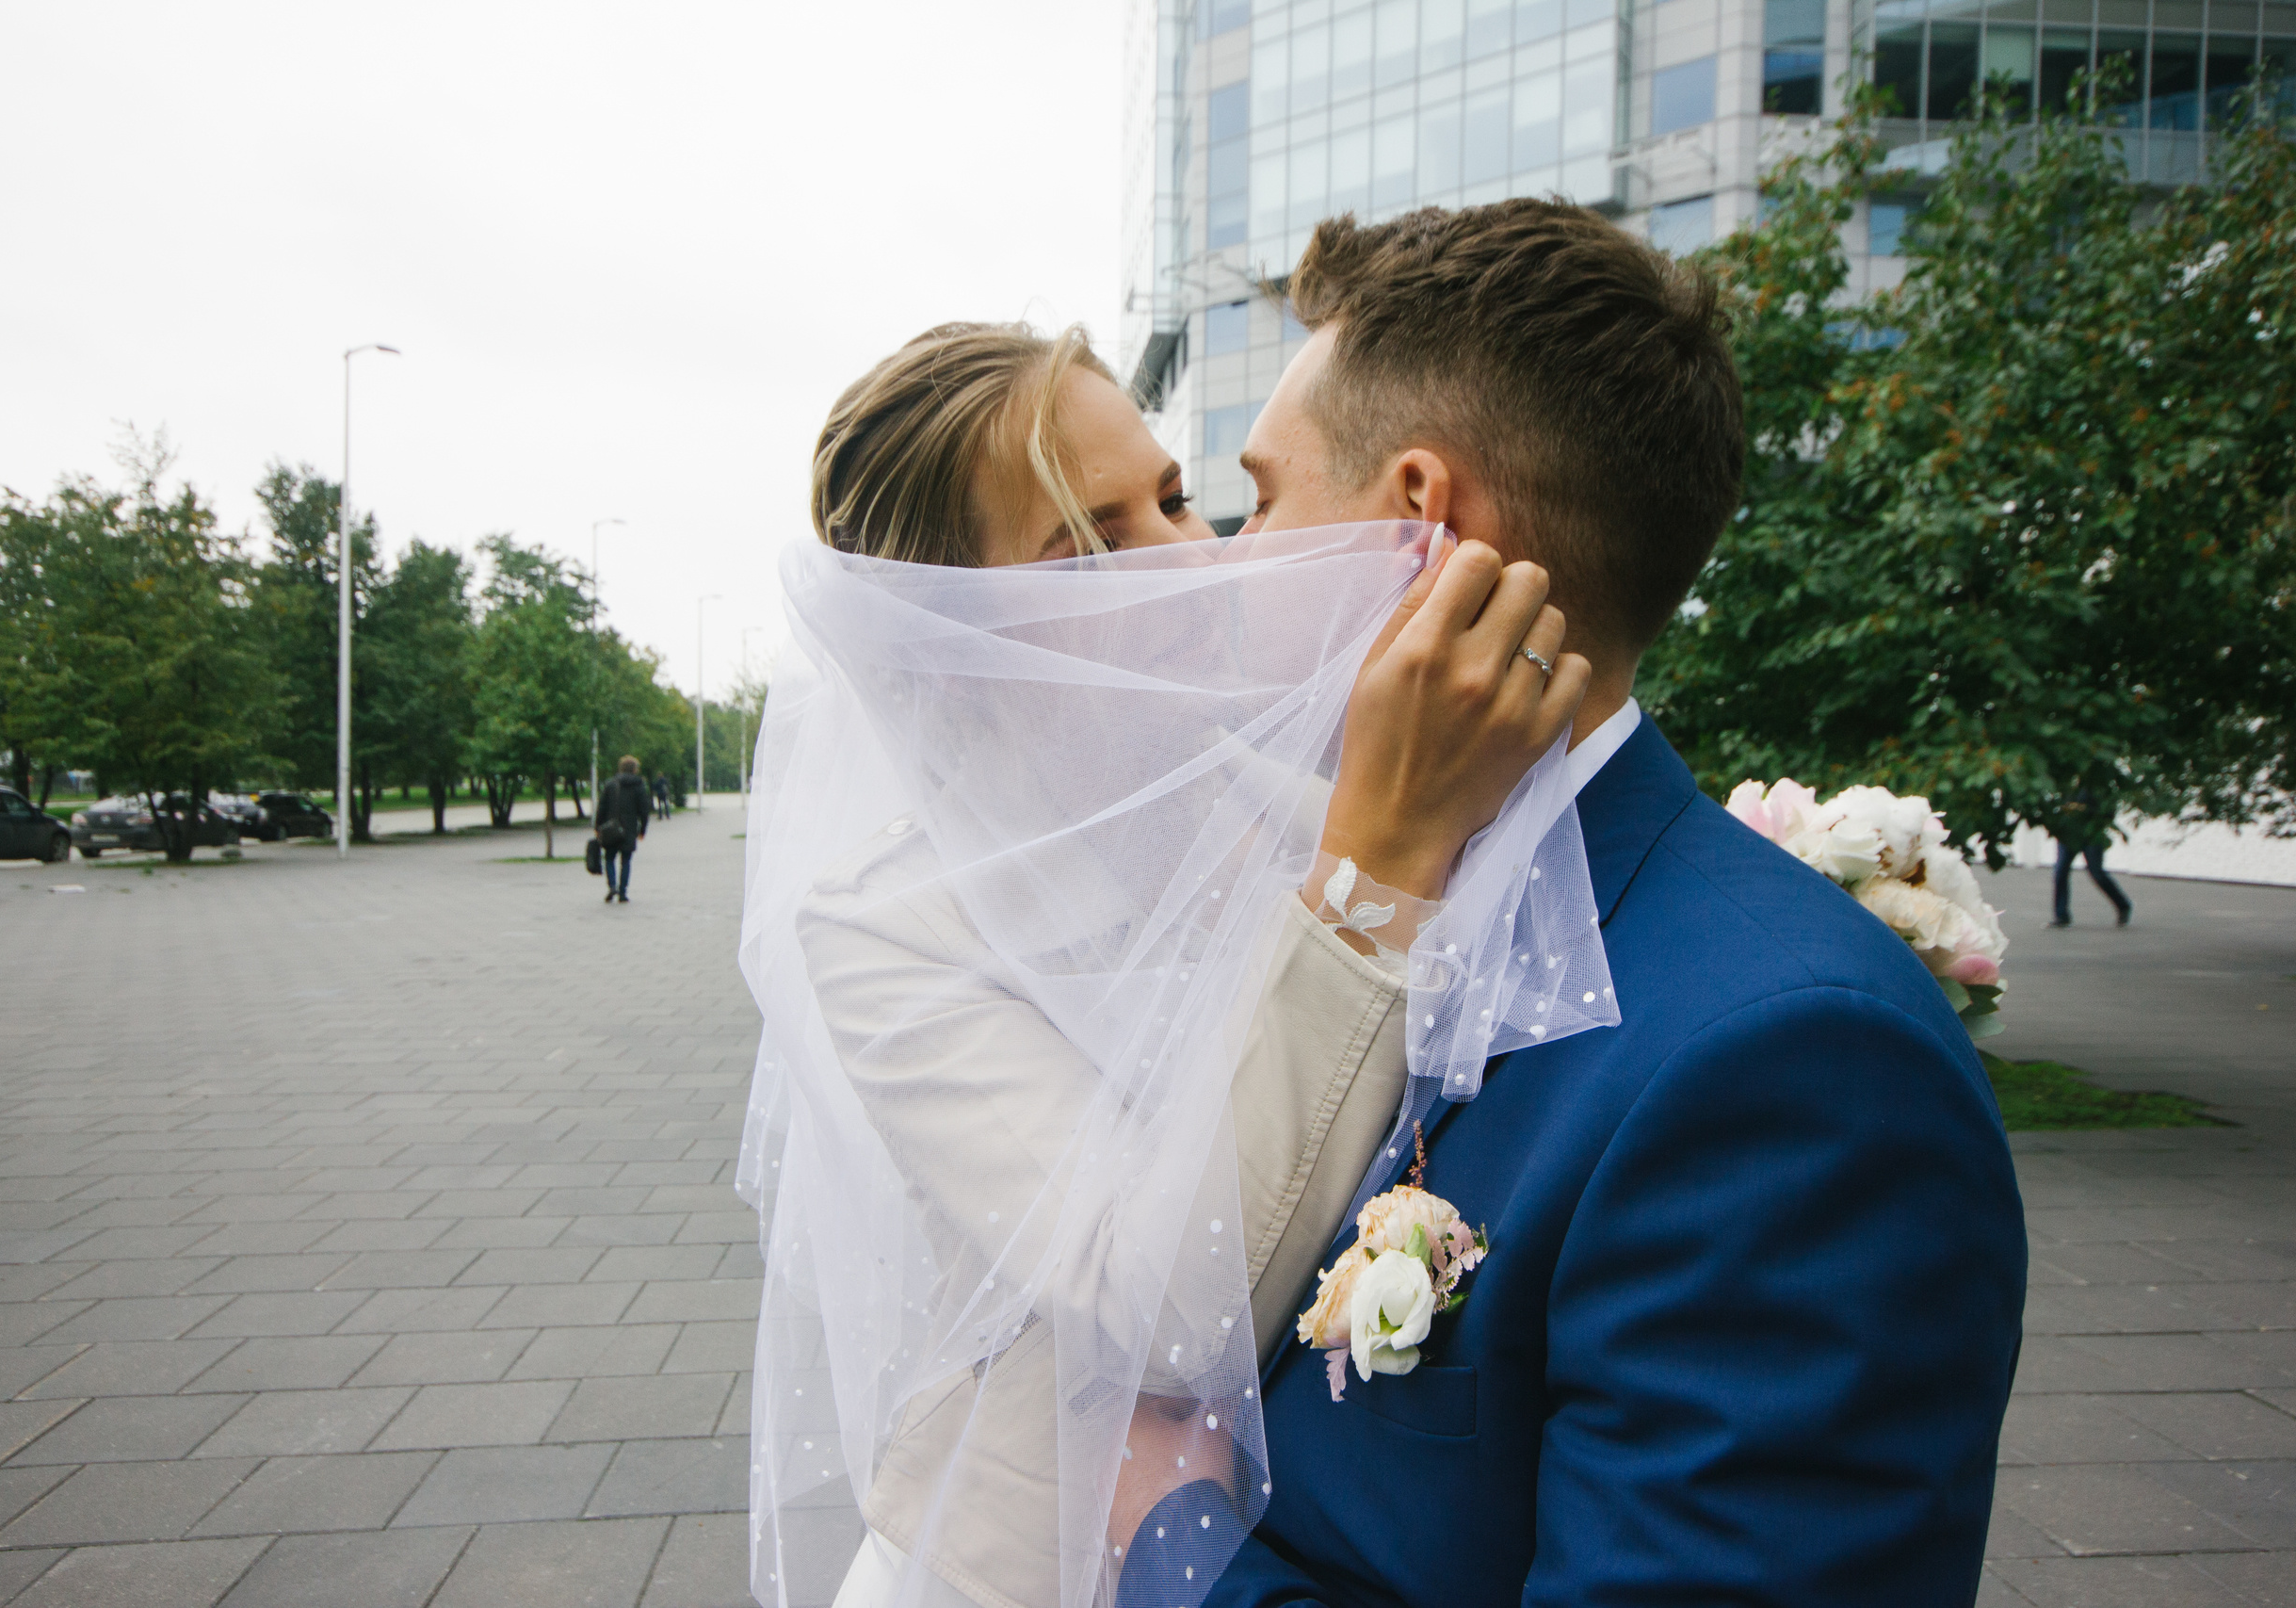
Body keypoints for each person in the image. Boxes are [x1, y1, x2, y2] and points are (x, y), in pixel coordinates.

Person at [1111, 203, 2027, 1606]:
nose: (1228, 559)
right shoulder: (1359, 907)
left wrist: (1171, 1548)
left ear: (1421, 529)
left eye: (1265, 500)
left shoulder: (1795, 1071)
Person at [737, 322, 1599, 1608]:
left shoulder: (1311, 786)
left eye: (1176, 496)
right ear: (950, 642)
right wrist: (1367, 883)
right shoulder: (892, 924)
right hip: (1046, 1563)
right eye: (1091, 545)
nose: (1192, 556)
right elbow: (1166, 1312)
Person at [2051, 785, 2131, 926]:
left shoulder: (2097, 782)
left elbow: (2108, 810)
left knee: (2096, 872)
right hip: (2069, 833)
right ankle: (2061, 915)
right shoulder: (2066, 780)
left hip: (2091, 833)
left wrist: (2087, 811)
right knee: (2060, 870)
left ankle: (2123, 905)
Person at [595, 756, 652, 903]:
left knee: (609, 858)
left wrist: (597, 826)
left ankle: (612, 886)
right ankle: (623, 893)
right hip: (629, 829)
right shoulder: (639, 785)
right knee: (626, 861)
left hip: (611, 828)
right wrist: (642, 830)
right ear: (634, 769)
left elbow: (602, 807)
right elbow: (644, 810)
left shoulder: (610, 784)